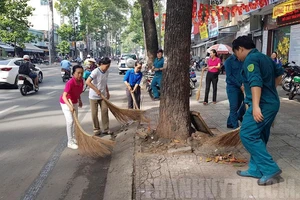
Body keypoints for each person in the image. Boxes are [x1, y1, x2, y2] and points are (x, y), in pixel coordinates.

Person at [232, 36, 283, 185]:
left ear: (240, 48)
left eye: (236, 53)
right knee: (260, 135)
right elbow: (279, 74)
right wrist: (271, 90)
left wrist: (255, 106)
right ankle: (255, 169)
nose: (237, 57)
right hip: (271, 102)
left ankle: (269, 168)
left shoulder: (251, 60)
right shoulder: (265, 58)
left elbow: (255, 83)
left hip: (263, 104)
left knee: (247, 134)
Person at [59, 65, 84, 150]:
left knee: (75, 121)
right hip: (65, 102)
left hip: (75, 101)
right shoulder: (70, 82)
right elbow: (64, 96)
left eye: (81, 73)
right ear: (73, 73)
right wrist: (69, 106)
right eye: (78, 73)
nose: (80, 75)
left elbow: (78, 92)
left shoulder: (81, 81)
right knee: (70, 121)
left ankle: (73, 138)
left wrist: (80, 100)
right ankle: (70, 142)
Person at [86, 57, 111, 136]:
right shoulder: (95, 72)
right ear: (101, 64)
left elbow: (105, 82)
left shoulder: (107, 72)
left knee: (104, 111)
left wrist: (107, 91)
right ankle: (96, 129)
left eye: (108, 66)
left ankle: (106, 128)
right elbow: (88, 82)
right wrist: (96, 90)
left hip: (103, 95)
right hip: (93, 96)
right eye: (106, 66)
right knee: (94, 113)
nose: (107, 68)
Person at [224, 54, 245, 129]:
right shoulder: (229, 61)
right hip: (232, 87)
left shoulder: (244, 60)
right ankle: (236, 128)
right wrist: (240, 85)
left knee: (245, 103)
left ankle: (232, 120)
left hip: (243, 87)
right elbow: (229, 76)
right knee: (234, 107)